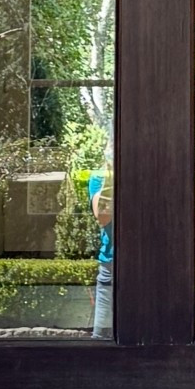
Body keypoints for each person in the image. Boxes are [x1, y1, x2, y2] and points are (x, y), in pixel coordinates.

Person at [89, 139, 113, 339]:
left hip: (146, 261)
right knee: (101, 336)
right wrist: (111, 178)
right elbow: (103, 217)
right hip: (111, 263)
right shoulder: (98, 177)